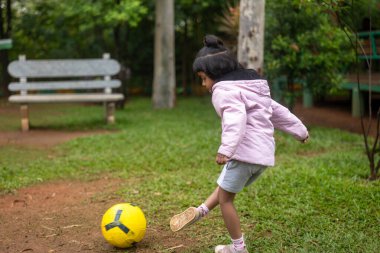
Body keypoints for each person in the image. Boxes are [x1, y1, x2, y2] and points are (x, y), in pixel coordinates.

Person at [169, 35, 309, 253]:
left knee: (226, 200)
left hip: (244, 153)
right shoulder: (254, 87)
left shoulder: (223, 90)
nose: (204, 85)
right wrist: (300, 131)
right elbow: (278, 111)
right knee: (226, 186)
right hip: (262, 157)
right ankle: (201, 210)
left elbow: (236, 118)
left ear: (215, 74)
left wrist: (225, 149)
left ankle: (238, 248)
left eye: (204, 78)